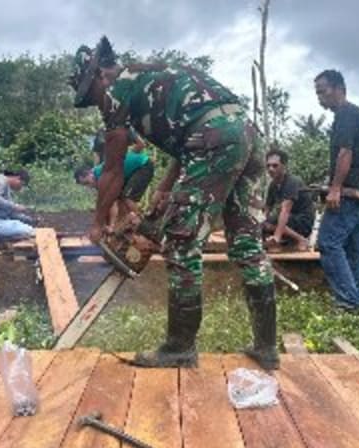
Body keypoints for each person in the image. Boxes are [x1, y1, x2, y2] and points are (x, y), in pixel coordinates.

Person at [69, 37, 277, 369]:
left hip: (213, 138)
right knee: (248, 245)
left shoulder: (116, 90)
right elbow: (189, 138)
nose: (95, 103)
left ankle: (179, 348)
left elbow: (111, 169)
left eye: (90, 94)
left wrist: (98, 223)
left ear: (98, 76)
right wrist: (165, 189)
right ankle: (267, 348)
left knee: (181, 243)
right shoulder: (154, 74)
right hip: (246, 135)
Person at [314, 69, 359, 312]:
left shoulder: (346, 115)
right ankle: (358, 297)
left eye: (323, 91)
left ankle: (349, 300)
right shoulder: (355, 114)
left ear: (339, 88)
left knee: (328, 243)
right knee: (352, 248)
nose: (319, 98)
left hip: (349, 191)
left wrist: (336, 188)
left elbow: (345, 152)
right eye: (317, 93)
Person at [74, 151, 154, 226]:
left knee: (128, 198)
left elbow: (112, 203)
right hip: (131, 172)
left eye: (87, 183)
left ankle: (144, 223)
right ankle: (122, 224)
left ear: (90, 173)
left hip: (143, 165)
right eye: (85, 185)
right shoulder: (97, 176)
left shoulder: (102, 177)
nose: (89, 186)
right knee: (121, 199)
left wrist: (111, 225)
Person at [262, 148, 315, 252]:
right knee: (262, 223)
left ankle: (301, 240)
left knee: (275, 218)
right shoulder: (273, 185)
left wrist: (276, 236)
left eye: (275, 165)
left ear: (284, 166)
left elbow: (285, 211)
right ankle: (281, 243)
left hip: (303, 222)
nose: (270, 169)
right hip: (289, 221)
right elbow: (267, 209)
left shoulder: (292, 181)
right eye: (268, 166)